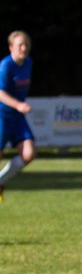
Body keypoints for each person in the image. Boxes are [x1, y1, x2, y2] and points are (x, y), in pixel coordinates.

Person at [0, 31, 36, 201]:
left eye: (26, 44)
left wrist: (19, 108)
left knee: (29, 153)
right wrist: (18, 105)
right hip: (2, 116)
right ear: (10, 47)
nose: (24, 48)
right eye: (20, 45)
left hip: (17, 118)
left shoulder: (28, 63)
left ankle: (1, 181)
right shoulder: (5, 66)